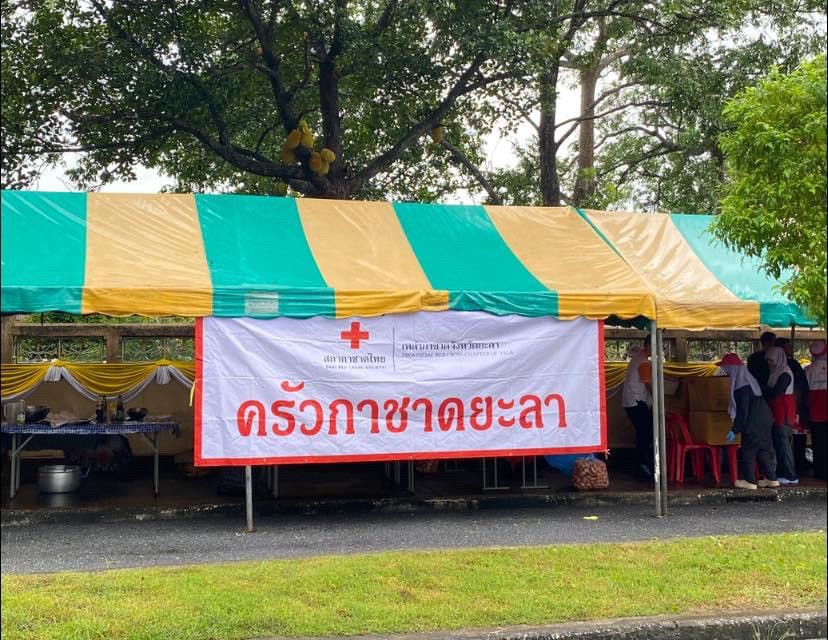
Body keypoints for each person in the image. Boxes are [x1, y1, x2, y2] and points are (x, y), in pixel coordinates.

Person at [716, 353, 779, 490]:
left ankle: (750, 481)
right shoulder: (749, 380)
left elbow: (743, 412)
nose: (725, 371)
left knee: (748, 451)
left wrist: (735, 430)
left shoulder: (741, 386)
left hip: (754, 423)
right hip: (765, 420)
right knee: (762, 450)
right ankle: (772, 479)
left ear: (732, 368)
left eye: (726, 368)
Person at [765, 345, 799, 484]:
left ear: (778, 359)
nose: (769, 363)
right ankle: (782, 472)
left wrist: (763, 389)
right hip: (776, 411)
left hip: (783, 412)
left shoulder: (785, 373)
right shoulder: (775, 372)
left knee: (784, 444)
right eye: (768, 360)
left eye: (771, 360)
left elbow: (776, 392)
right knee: (779, 444)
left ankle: (791, 475)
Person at [776, 337, 810, 473]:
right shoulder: (790, 366)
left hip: (792, 406)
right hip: (794, 405)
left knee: (794, 435)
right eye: (788, 346)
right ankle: (797, 463)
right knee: (795, 436)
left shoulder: (781, 367)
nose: (791, 349)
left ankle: (795, 462)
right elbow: (800, 386)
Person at [622, 338, 653, 479]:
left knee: (644, 433)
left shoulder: (638, 358)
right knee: (645, 434)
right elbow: (648, 384)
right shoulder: (643, 362)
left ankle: (641, 465)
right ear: (647, 345)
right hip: (635, 401)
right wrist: (658, 398)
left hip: (632, 401)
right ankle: (642, 467)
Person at [804, 340, 827, 480]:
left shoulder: (808, 370)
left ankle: (820, 471)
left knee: (818, 444)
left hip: (815, 413)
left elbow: (804, 393)